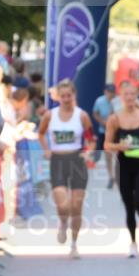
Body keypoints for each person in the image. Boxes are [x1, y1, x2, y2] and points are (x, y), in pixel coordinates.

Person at [37, 79, 94, 259]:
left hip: (76, 160)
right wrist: (46, 149)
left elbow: (91, 138)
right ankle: (62, 222)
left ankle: (74, 244)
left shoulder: (82, 115)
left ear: (74, 95)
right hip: (58, 161)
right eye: (63, 96)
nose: (66, 99)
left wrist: (88, 152)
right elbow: (41, 133)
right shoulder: (50, 115)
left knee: (76, 206)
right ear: (58, 97)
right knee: (63, 204)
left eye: (69, 95)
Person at [104, 81, 139, 257]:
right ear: (121, 97)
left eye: (132, 94)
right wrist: (118, 146)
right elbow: (106, 144)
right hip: (123, 167)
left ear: (136, 96)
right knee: (129, 205)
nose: (129, 98)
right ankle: (133, 242)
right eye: (126, 94)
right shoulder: (114, 119)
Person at [91, 83, 116, 188]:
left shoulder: (117, 102)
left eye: (113, 92)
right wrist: (102, 121)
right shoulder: (99, 101)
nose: (111, 94)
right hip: (103, 131)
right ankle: (111, 176)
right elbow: (95, 113)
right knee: (107, 154)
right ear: (105, 92)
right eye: (109, 92)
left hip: (116, 131)